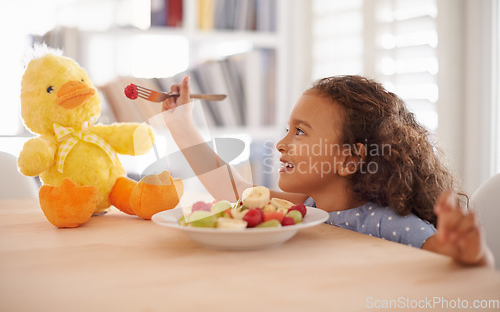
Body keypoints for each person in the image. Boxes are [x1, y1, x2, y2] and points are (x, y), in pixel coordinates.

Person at [161, 75, 494, 268]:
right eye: (287, 130)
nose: (280, 143)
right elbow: (236, 193)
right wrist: (180, 125)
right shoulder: (304, 208)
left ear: (349, 160)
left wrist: (471, 255)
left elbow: (451, 261)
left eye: (300, 132)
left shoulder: (386, 223)